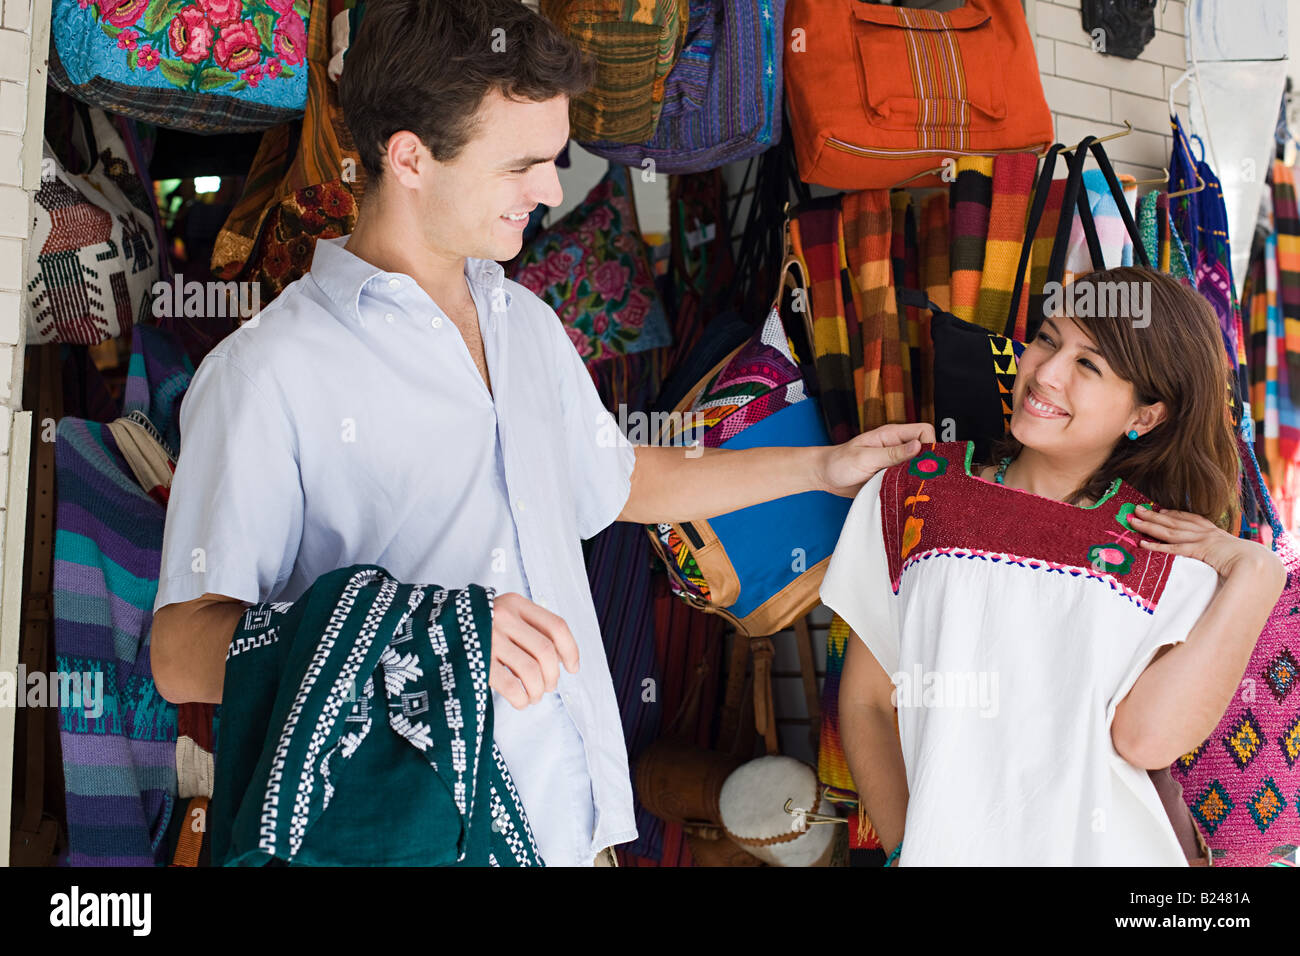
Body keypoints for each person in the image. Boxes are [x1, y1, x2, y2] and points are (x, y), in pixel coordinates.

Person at [148, 0, 932, 868]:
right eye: (523, 164)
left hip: (574, 834)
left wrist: (824, 467)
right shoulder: (267, 371)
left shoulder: (523, 321)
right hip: (409, 839)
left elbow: (619, 481)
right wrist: (417, 632)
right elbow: (181, 653)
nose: (554, 191)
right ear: (409, 157)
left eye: (555, 160)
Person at [822, 266, 1288, 866]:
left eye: (1088, 365)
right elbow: (864, 700)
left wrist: (1256, 573)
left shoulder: (1166, 552)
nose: (1044, 372)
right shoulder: (916, 491)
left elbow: (1147, 740)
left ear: (1145, 415)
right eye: (1047, 338)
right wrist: (908, 847)